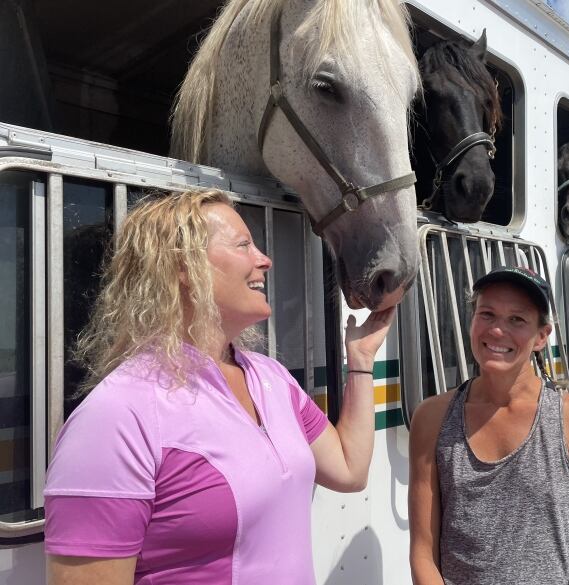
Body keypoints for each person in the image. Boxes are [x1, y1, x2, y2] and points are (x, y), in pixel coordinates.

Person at [44, 189, 395, 585]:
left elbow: (350, 471)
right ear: (181, 265)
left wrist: (361, 361)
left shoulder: (271, 378)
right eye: (244, 244)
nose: (265, 259)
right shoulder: (115, 416)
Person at [408, 266, 569, 585]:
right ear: (472, 321)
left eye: (517, 320)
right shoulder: (432, 419)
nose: (497, 331)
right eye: (487, 314)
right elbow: (423, 553)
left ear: (541, 336)